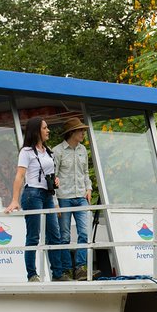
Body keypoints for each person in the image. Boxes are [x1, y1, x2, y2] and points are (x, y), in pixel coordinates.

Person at [4, 117, 69, 282]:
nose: (48, 131)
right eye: (45, 128)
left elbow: (49, 173)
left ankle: (58, 274)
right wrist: (14, 199)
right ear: (36, 131)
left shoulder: (47, 151)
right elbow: (19, 176)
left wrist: (55, 180)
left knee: (55, 234)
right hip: (32, 194)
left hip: (47, 195)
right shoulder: (26, 152)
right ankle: (32, 274)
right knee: (33, 236)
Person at [53, 117, 94, 280]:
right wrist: (55, 202)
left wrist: (89, 187)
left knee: (85, 232)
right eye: (80, 130)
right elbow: (52, 177)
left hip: (81, 197)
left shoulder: (83, 150)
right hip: (64, 198)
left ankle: (80, 268)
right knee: (64, 236)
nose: (83, 133)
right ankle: (66, 270)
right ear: (72, 133)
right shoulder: (57, 151)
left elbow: (85, 172)